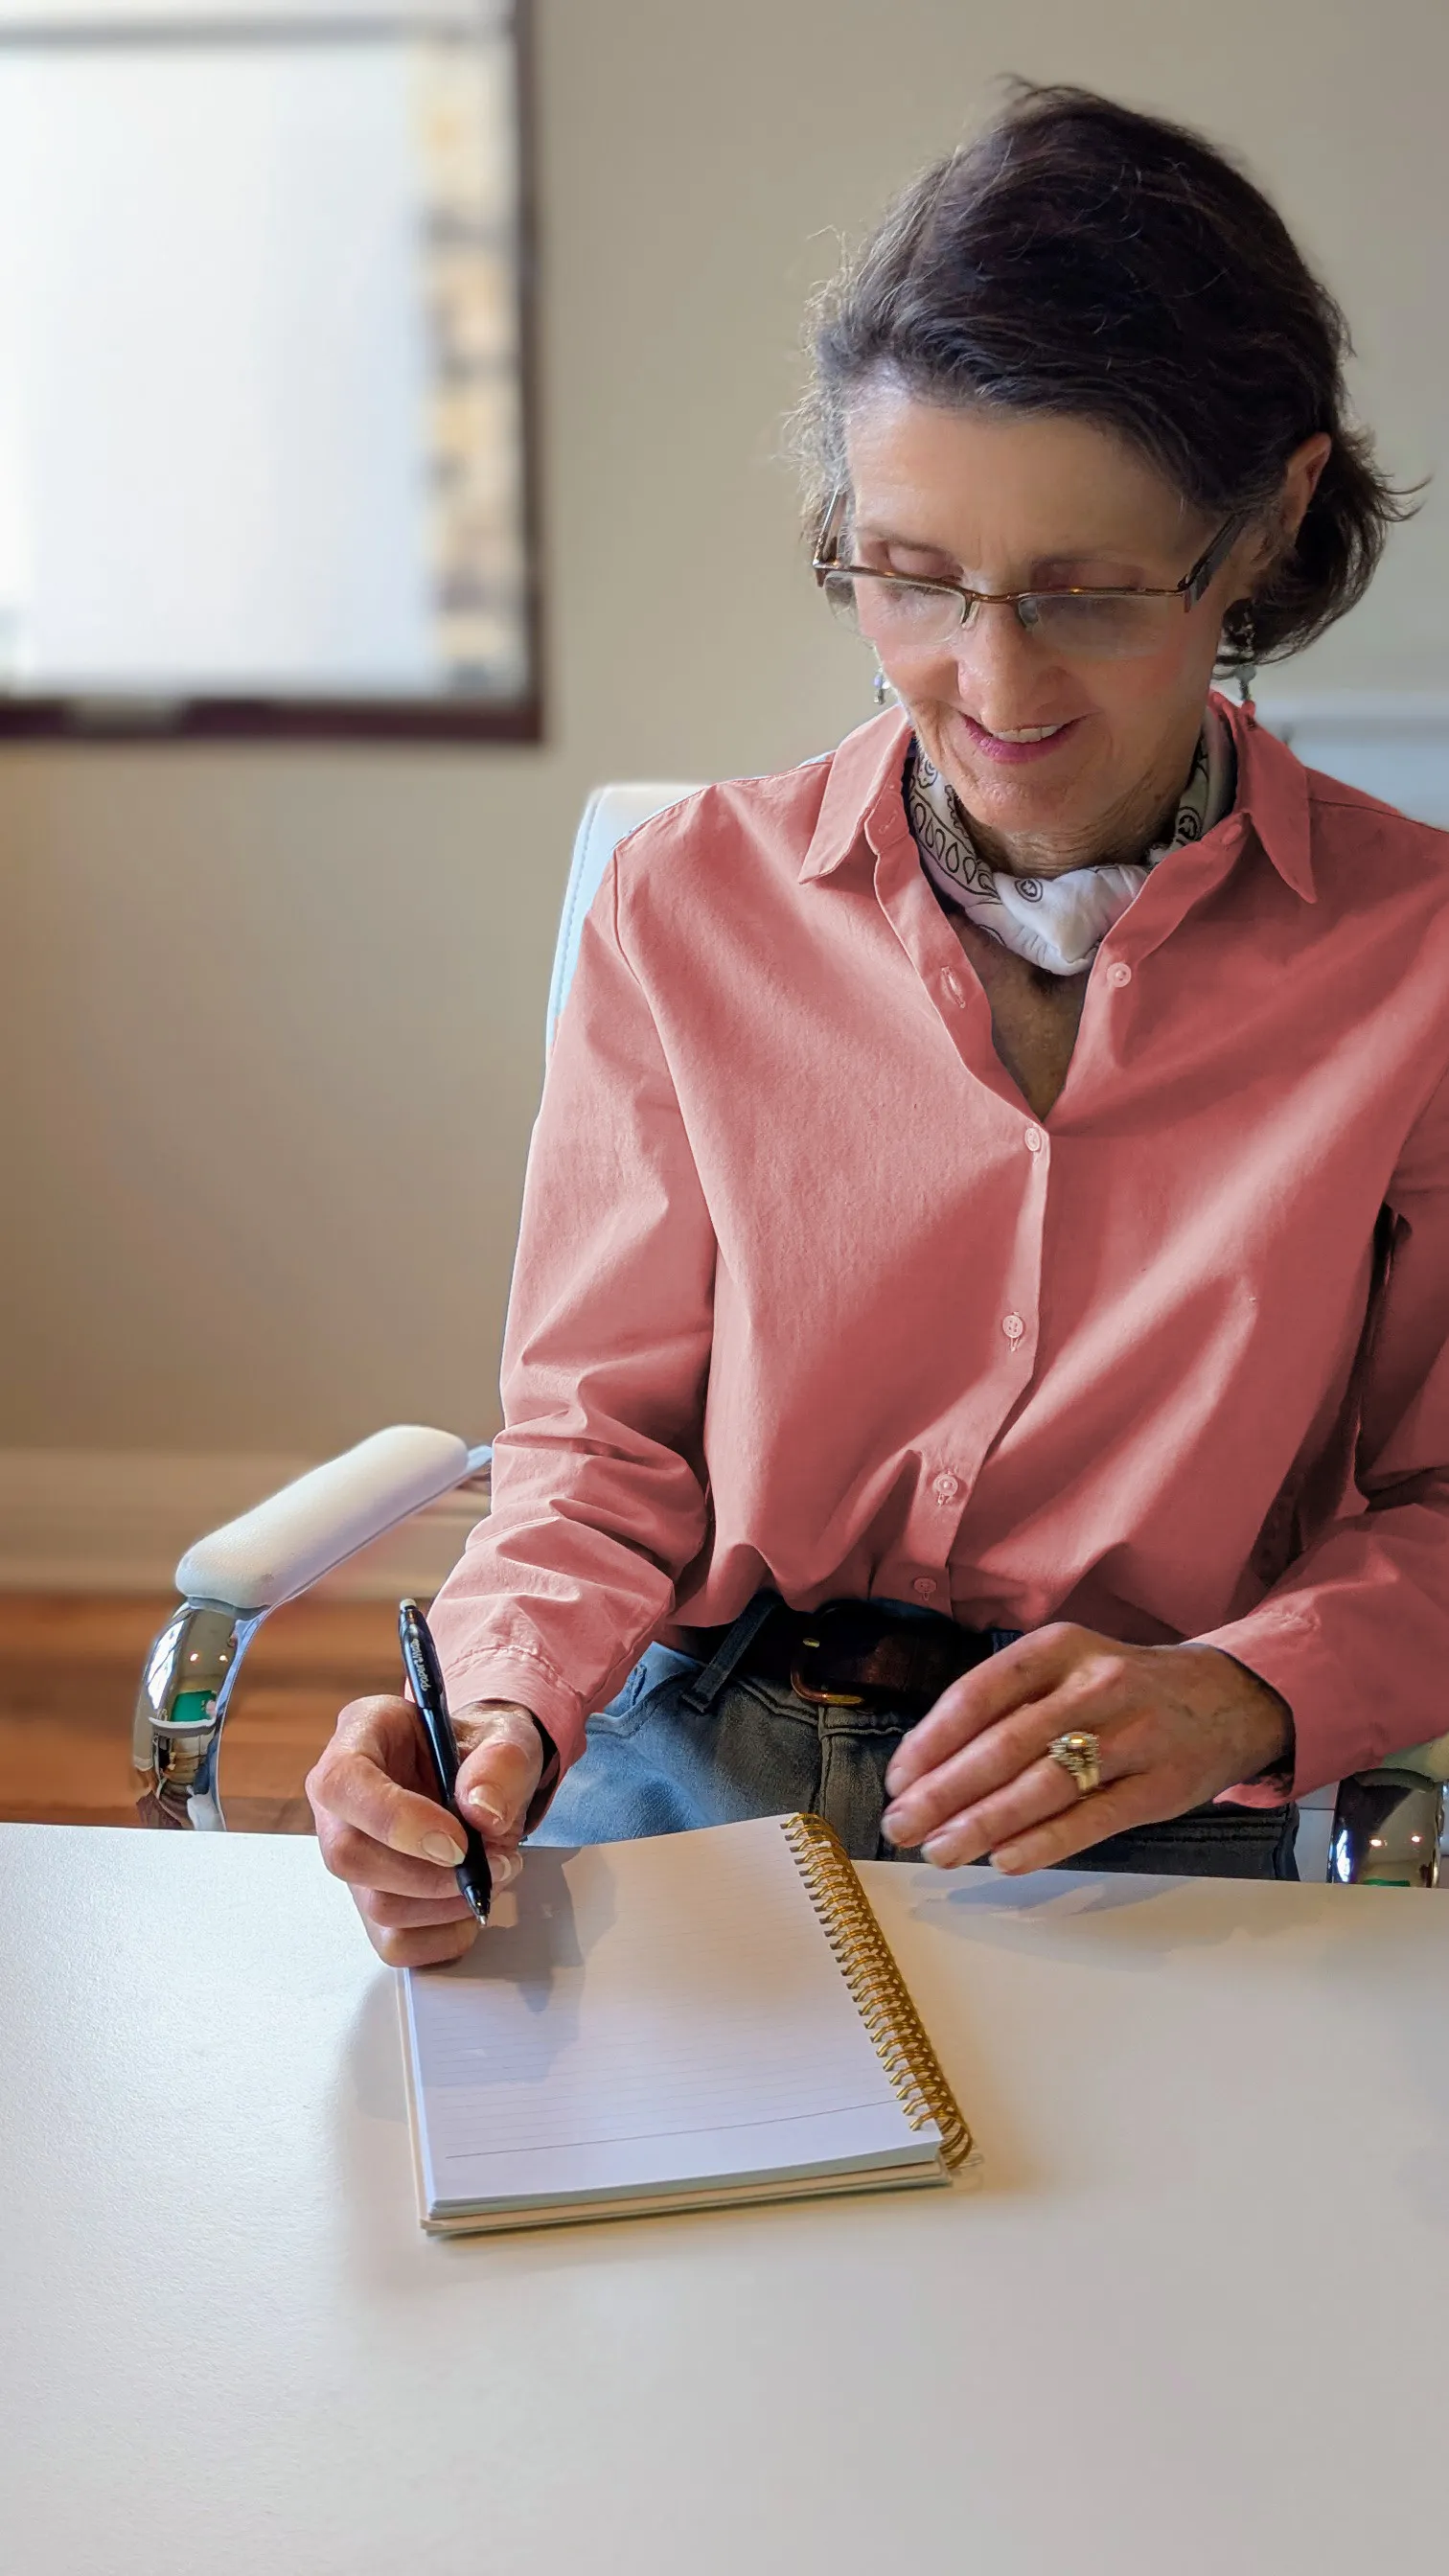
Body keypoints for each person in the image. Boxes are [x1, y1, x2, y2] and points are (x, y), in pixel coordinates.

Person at [308, 82, 1442, 1966]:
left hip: (1155, 1787)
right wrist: (488, 1722)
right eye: (911, 577)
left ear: (1268, 522)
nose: (990, 685)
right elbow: (599, 1454)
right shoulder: (689, 906)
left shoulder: (1419, 958)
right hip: (697, 1740)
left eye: (1087, 593)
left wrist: (1247, 1691)